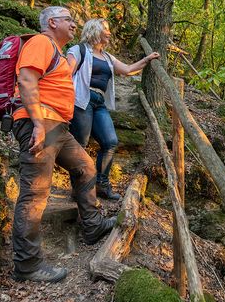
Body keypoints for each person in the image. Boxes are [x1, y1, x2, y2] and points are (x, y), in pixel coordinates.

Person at [11, 6, 116, 283]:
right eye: (69, 19)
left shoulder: (56, 51)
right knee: (35, 194)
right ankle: (27, 264)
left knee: (86, 167)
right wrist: (36, 123)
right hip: (40, 122)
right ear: (52, 22)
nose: (74, 24)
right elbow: (26, 79)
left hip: (58, 126)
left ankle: (92, 225)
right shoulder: (40, 42)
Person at [67, 18, 159, 200]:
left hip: (99, 102)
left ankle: (102, 185)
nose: (109, 33)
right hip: (81, 101)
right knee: (80, 144)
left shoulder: (108, 57)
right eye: (106, 29)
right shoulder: (78, 50)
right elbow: (65, 74)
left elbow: (128, 69)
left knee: (110, 141)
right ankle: (79, 188)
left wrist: (147, 59)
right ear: (95, 30)